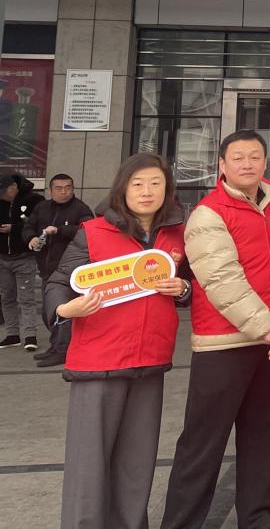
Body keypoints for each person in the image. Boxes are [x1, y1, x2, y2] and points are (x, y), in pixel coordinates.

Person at [45, 154, 190, 529]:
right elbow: (59, 282)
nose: (147, 191)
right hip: (99, 362)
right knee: (89, 465)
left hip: (150, 360)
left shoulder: (177, 234)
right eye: (137, 184)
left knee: (137, 463)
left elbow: (193, 285)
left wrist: (183, 289)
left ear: (167, 190)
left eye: (156, 183)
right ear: (122, 188)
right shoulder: (93, 232)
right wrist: (65, 309)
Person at [161, 130, 270, 529]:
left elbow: (259, 254)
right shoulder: (209, 214)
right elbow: (221, 279)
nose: (247, 164)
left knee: (262, 438)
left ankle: (257, 519)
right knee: (203, 444)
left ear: (265, 162)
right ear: (221, 165)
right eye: (238, 158)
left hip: (268, 341)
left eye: (255, 157)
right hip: (224, 345)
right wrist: (267, 326)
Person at [24, 173, 95, 366]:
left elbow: (89, 230)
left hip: (69, 272)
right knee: (48, 312)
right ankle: (56, 346)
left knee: (62, 312)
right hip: (47, 269)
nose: (64, 192)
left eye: (68, 187)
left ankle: (62, 350)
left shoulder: (81, 209)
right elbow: (28, 226)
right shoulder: (42, 207)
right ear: (50, 190)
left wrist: (60, 230)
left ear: (73, 188)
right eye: (59, 188)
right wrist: (31, 237)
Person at [0, 173, 44, 350]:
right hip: (3, 257)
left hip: (24, 256)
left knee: (26, 298)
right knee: (7, 297)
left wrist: (14, 228)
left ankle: (30, 335)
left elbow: (38, 225)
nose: (2, 197)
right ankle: (12, 334)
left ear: (13, 187)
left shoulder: (34, 200)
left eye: (3, 193)